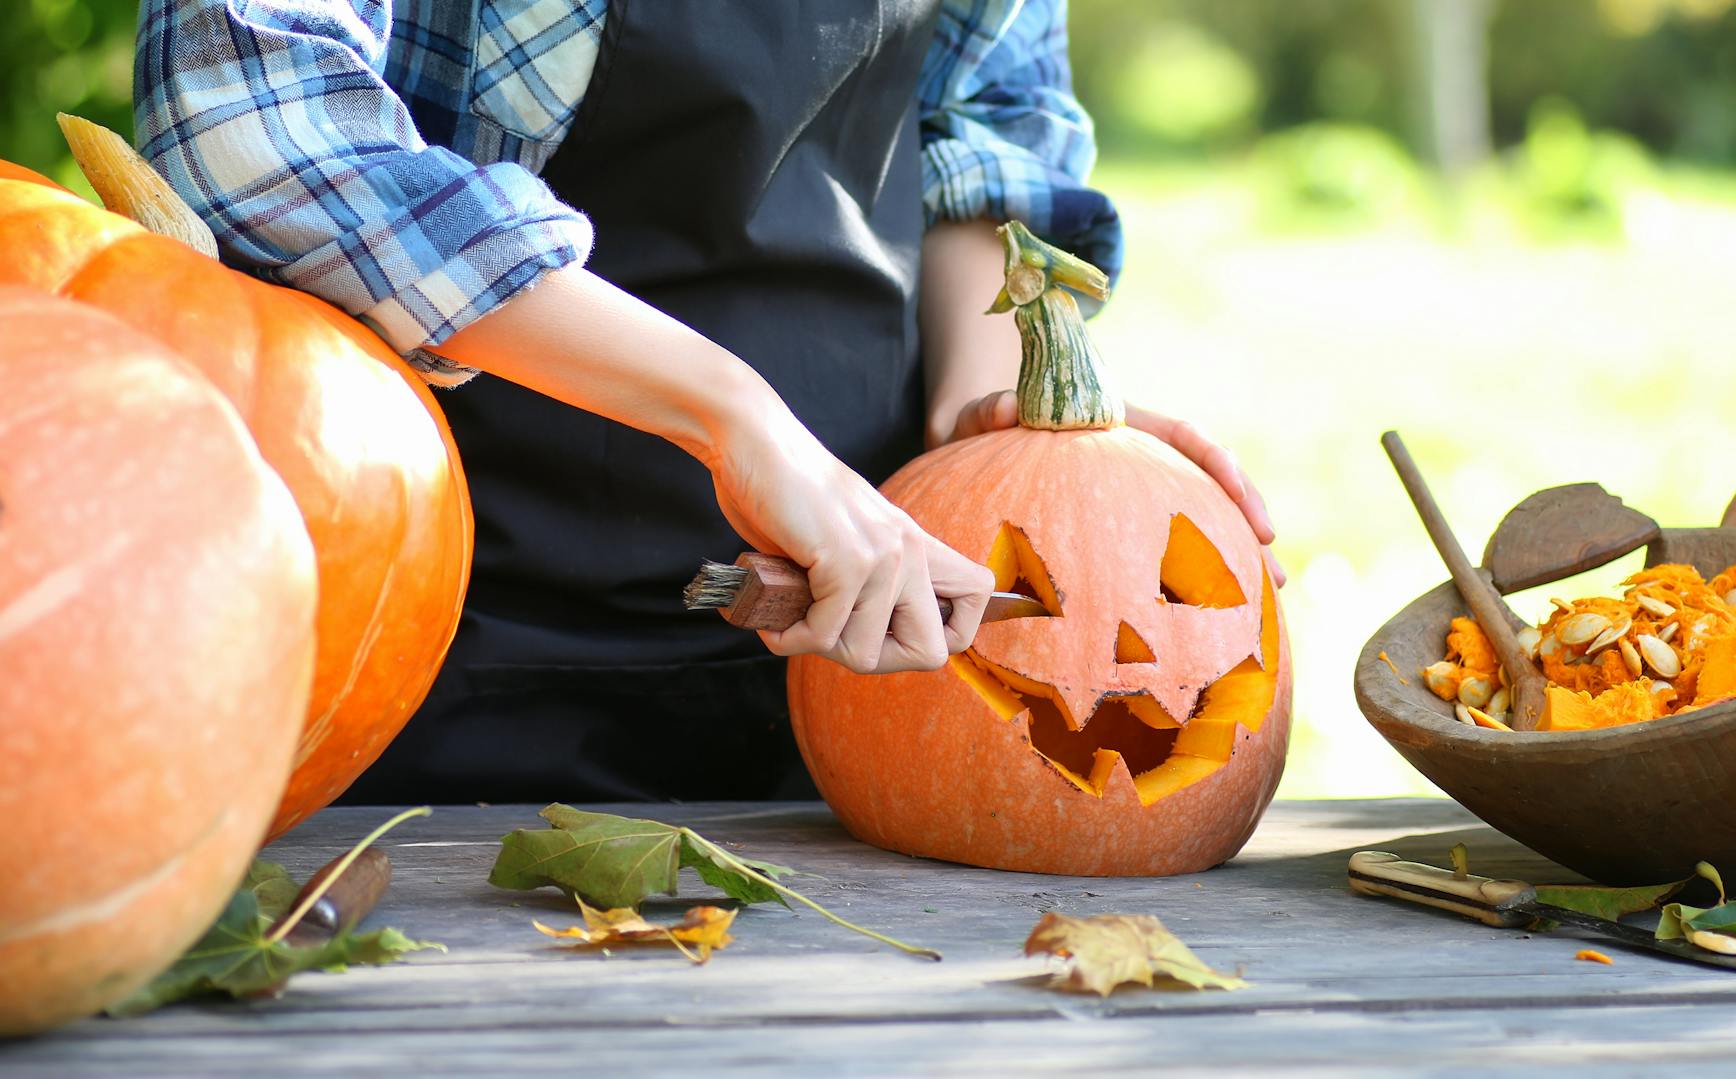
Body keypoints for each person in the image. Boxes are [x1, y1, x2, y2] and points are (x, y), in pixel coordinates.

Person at [135, 0, 1277, 803]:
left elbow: (989, 120)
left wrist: (981, 442)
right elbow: (255, 121)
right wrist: (734, 413)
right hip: (436, 652)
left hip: (853, 655)